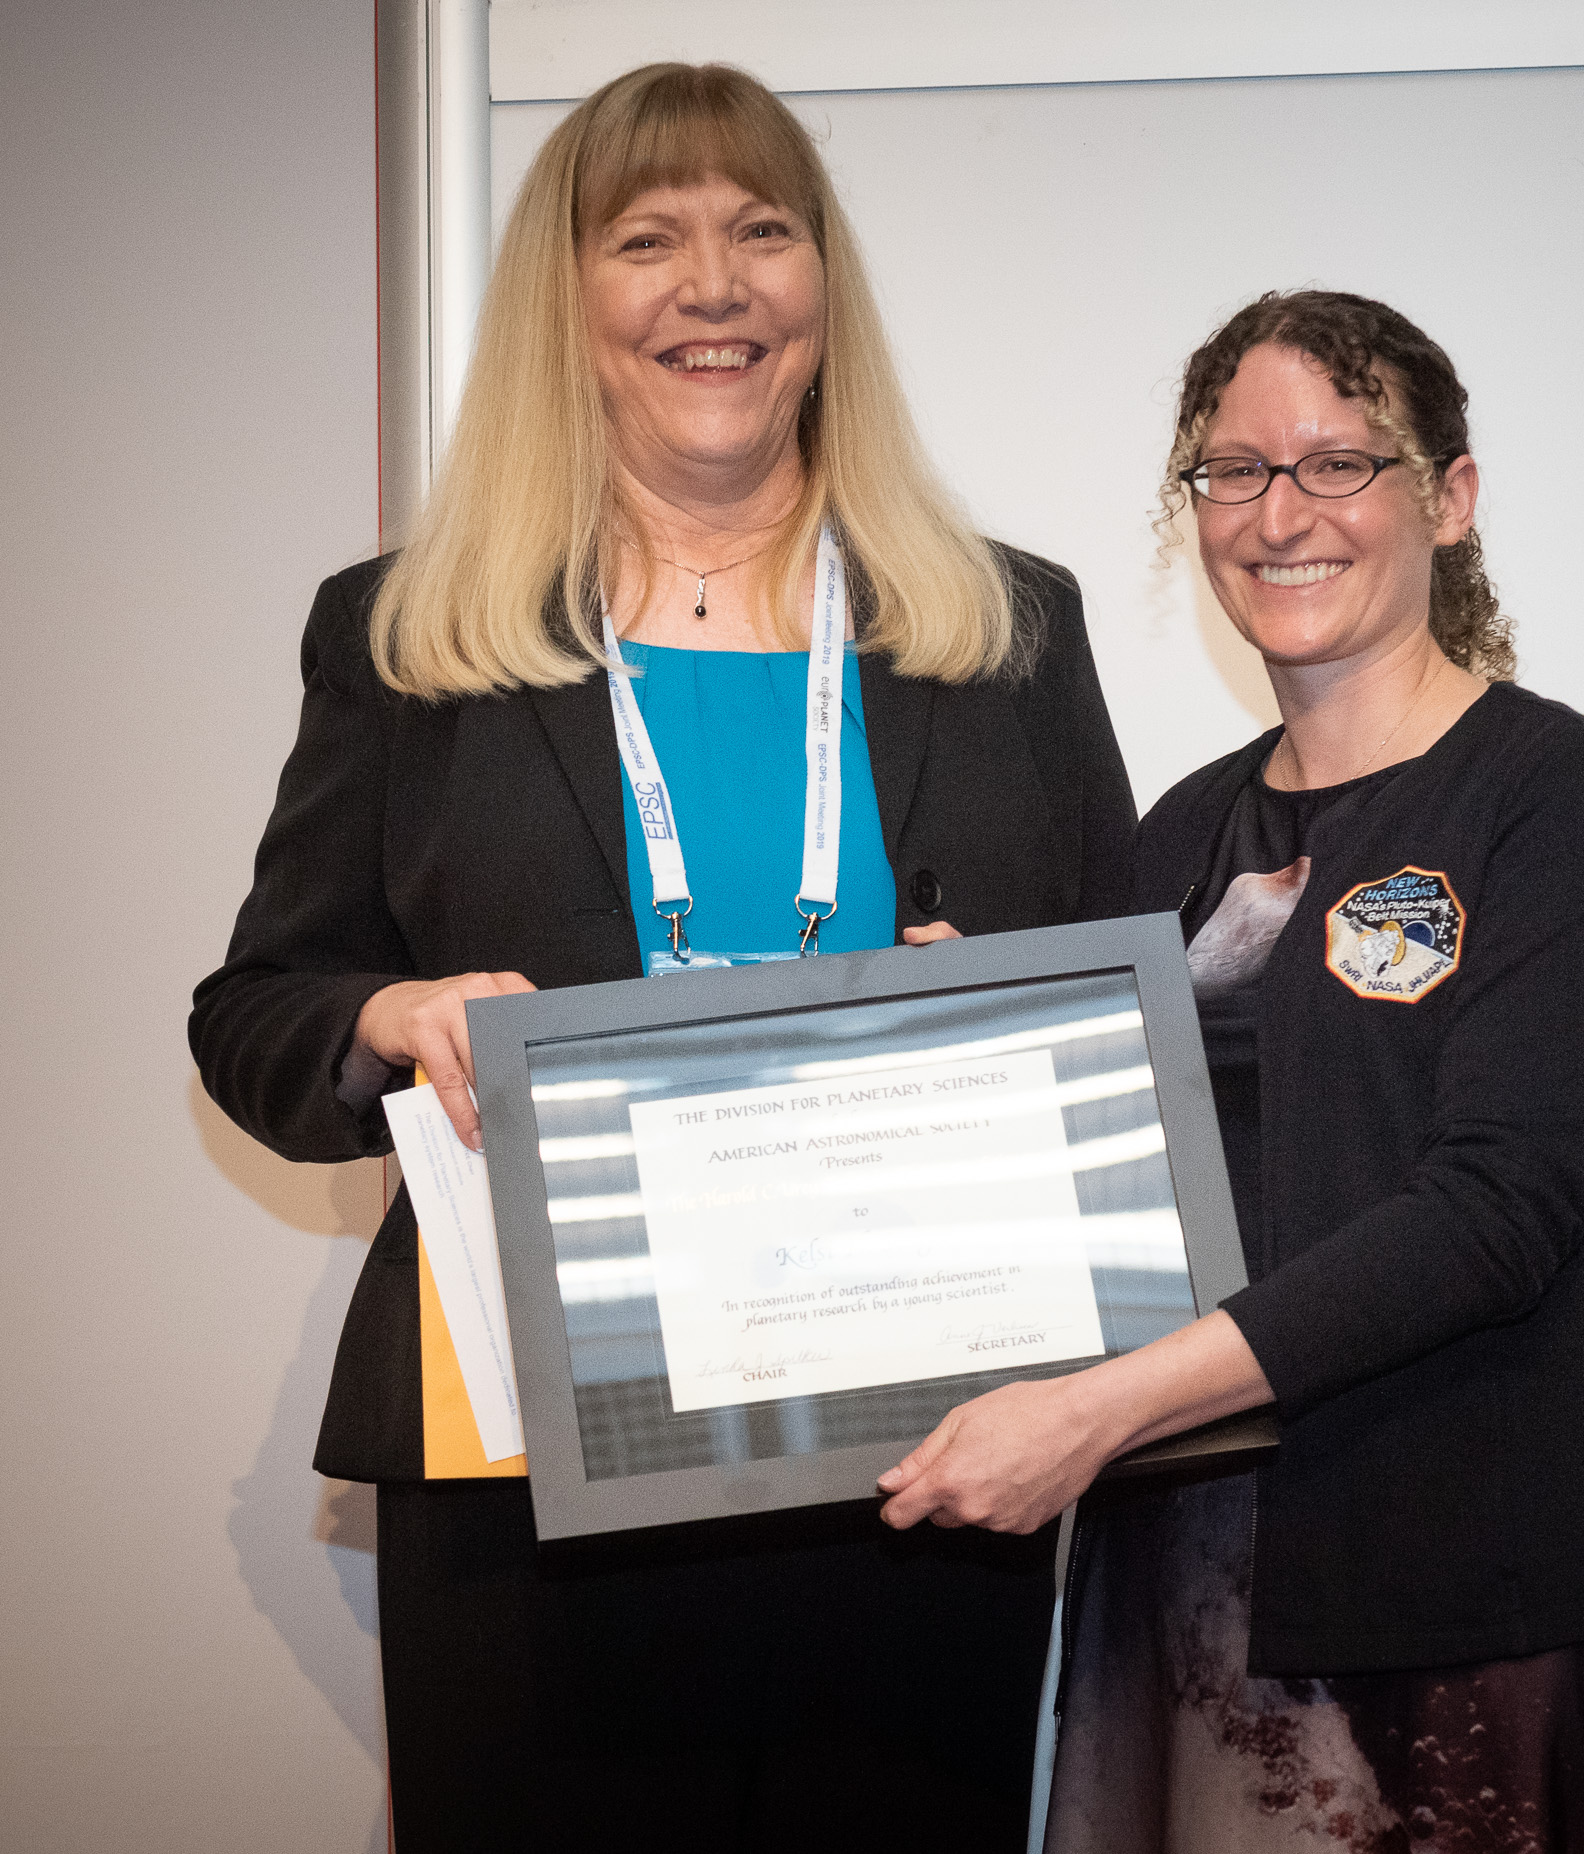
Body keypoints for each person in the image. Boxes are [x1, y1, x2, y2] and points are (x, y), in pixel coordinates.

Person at [189, 63, 1135, 1853]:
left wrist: (1007, 1017)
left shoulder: (1009, 625)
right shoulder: (406, 636)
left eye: (763, 230)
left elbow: (1125, 1029)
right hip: (531, 1473)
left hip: (928, 1459)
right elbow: (254, 1015)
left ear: (823, 286)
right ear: (566, 299)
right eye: (648, 239)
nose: (715, 286)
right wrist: (393, 1012)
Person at [875, 291, 1584, 1851]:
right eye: (1234, 471)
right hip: (1196, 1575)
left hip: (1474, 1593)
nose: (1281, 515)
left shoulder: (1565, 793)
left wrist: (1097, 1409)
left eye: (1339, 462)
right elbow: (1132, 1176)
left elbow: (1494, 1211)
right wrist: (981, 1054)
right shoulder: (1177, 834)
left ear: (1450, 498)